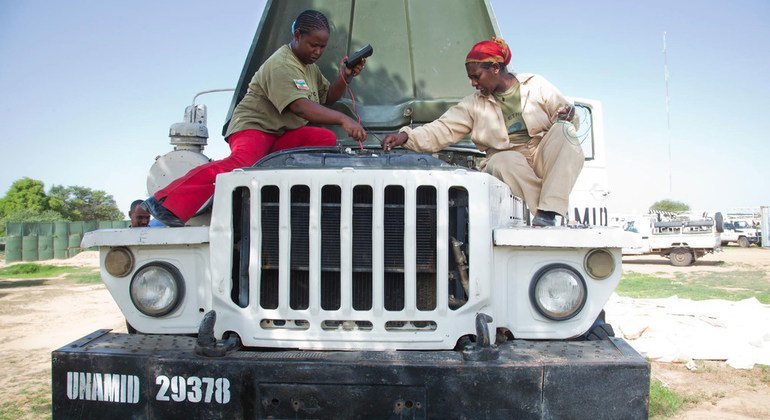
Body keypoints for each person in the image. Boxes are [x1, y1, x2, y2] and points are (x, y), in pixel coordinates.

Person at [143, 9, 367, 227]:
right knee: (242, 163)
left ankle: (291, 205)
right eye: (313, 45)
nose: (318, 51)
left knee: (323, 139)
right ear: (297, 35)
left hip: (279, 133)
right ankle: (166, 202)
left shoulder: (309, 68)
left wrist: (344, 77)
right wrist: (343, 119)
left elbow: (326, 98)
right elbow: (300, 107)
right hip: (254, 127)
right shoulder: (281, 64)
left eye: (322, 47)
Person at [381, 38, 583, 226]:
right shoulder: (472, 105)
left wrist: (568, 116)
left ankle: (547, 212)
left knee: (565, 132)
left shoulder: (535, 84)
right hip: (508, 161)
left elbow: (566, 115)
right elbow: (442, 129)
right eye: (471, 78)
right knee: (503, 162)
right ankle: (545, 215)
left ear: (495, 68)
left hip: (541, 153)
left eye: (476, 77)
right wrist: (406, 136)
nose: (473, 83)